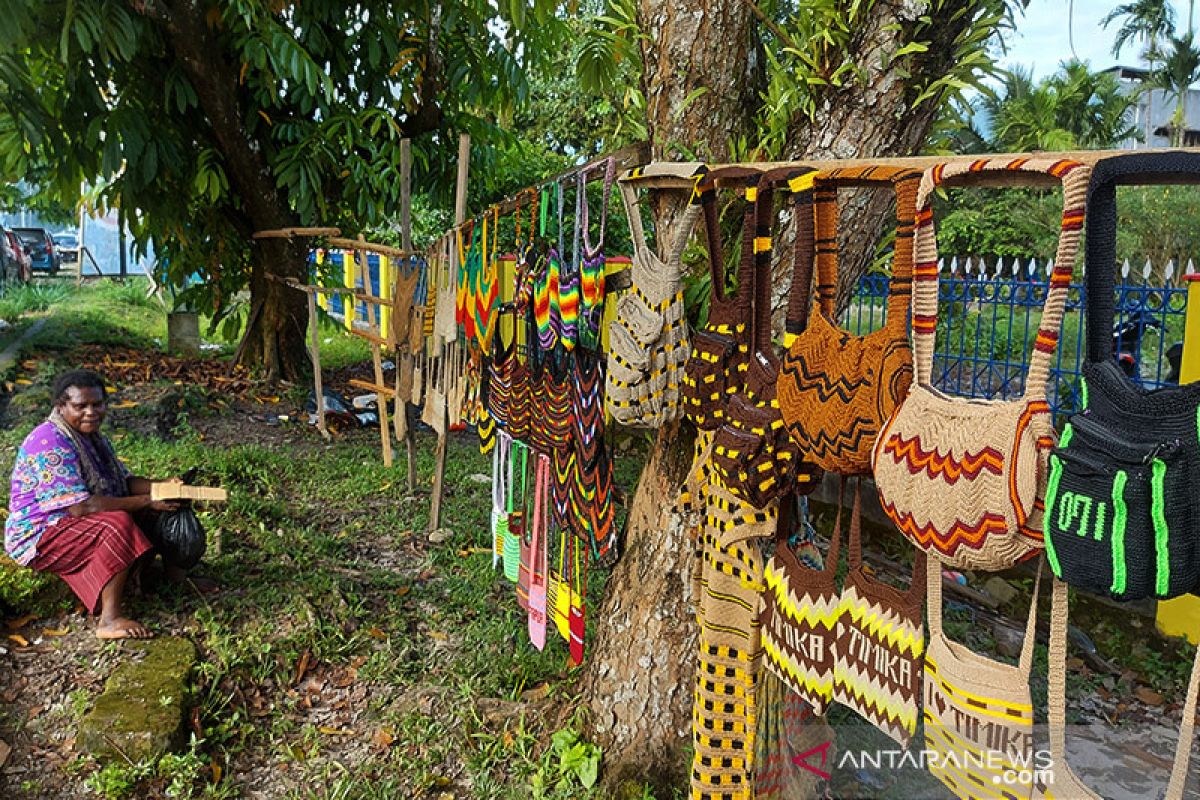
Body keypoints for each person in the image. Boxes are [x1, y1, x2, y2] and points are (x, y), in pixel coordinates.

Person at [5, 370, 206, 639]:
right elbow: (82, 508)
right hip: (40, 533)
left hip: (78, 520)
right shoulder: (49, 442)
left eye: (97, 404)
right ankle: (109, 619)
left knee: (169, 505)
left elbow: (125, 481)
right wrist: (148, 500)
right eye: (80, 406)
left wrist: (164, 487)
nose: (91, 412)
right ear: (61, 407)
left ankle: (176, 578)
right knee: (119, 521)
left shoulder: (94, 438)